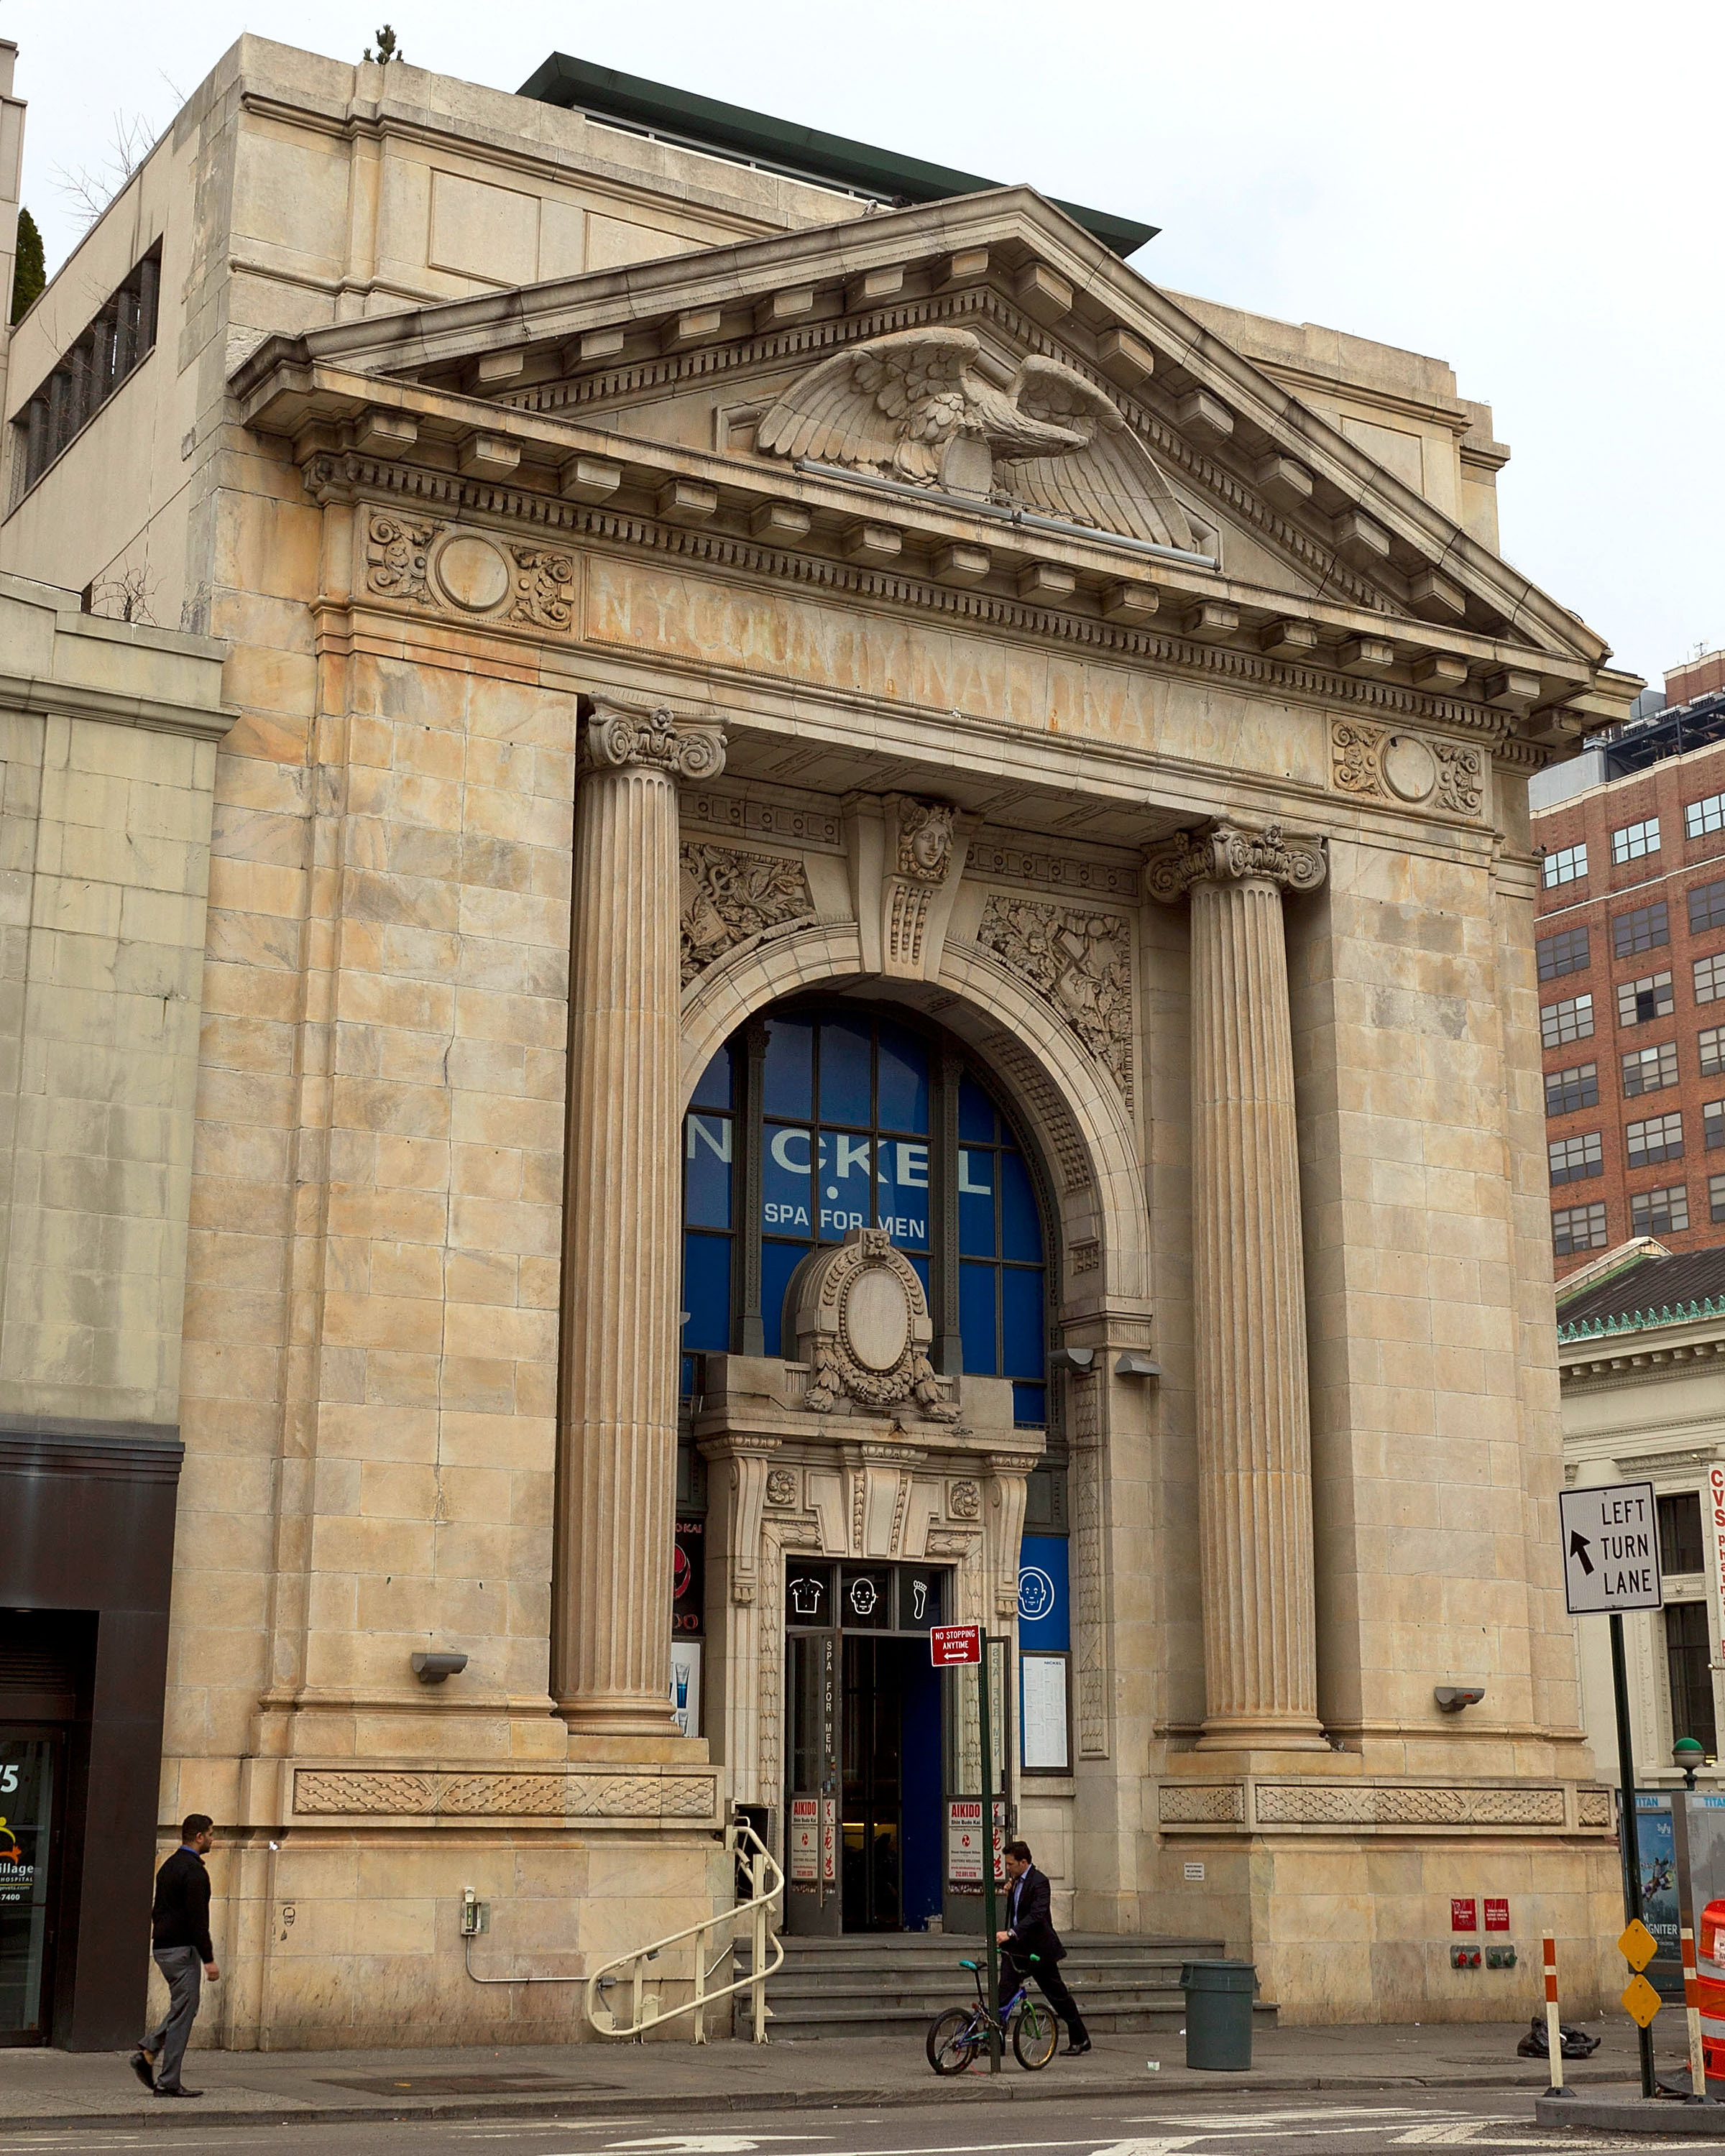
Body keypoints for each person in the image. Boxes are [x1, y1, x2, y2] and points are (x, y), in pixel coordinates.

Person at [129, 1815, 218, 2099]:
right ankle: (168, 2080)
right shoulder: (194, 1872)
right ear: (199, 1837)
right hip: (182, 1950)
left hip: (164, 1948)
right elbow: (198, 1921)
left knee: (183, 2009)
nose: (213, 1839)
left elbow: (159, 1909)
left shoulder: (169, 1866)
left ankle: (149, 2050)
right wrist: (209, 1959)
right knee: (184, 2015)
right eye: (211, 1834)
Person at [995, 1837, 1090, 2055]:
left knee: (1057, 1995)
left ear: (1024, 1862)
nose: (1007, 1868)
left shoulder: (1040, 1882)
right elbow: (1018, 1912)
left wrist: (1011, 1932)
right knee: (1004, 1992)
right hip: (1017, 1948)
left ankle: (1080, 2038)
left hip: (1039, 1950)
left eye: (1010, 1864)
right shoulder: (1017, 1881)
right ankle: (995, 2041)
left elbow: (1037, 1915)